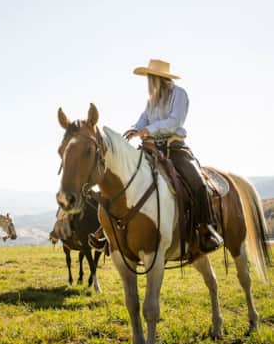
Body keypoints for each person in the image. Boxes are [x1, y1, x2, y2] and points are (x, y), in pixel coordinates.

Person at [89, 59, 223, 254]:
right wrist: (134, 128)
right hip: (151, 147)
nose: (148, 82)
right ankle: (108, 232)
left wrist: (147, 129)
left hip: (174, 148)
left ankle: (206, 228)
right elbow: (143, 118)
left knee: (198, 182)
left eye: (150, 78)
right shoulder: (152, 99)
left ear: (159, 78)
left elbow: (174, 121)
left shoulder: (179, 95)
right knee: (127, 179)